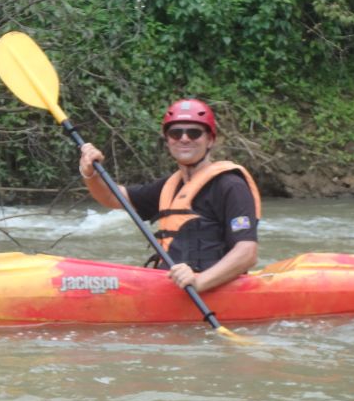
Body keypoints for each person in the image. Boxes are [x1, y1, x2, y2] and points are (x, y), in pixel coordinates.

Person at [78, 98, 261, 293]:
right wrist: (91, 174)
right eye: (175, 133)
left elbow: (247, 252)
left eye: (194, 132)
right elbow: (113, 197)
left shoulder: (231, 186)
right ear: (168, 141)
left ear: (210, 139)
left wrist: (200, 282)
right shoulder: (168, 186)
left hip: (209, 290)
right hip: (169, 287)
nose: (184, 138)